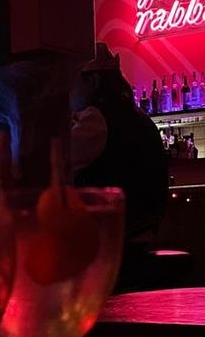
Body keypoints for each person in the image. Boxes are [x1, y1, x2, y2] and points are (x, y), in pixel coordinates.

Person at [71, 42, 169, 274]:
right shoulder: (138, 116)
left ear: (93, 82)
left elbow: (58, 163)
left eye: (74, 83)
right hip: (142, 231)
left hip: (114, 239)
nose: (71, 91)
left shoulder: (96, 119)